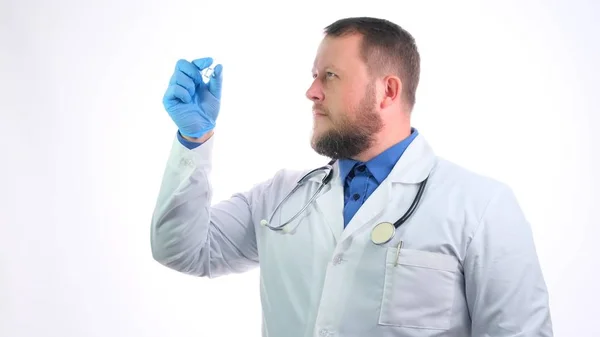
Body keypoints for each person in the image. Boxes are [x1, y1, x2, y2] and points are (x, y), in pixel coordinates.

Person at [150, 16, 553, 337]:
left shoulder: (481, 206)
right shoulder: (280, 197)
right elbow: (183, 249)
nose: (312, 91)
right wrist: (194, 138)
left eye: (330, 76)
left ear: (388, 91)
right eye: (313, 75)